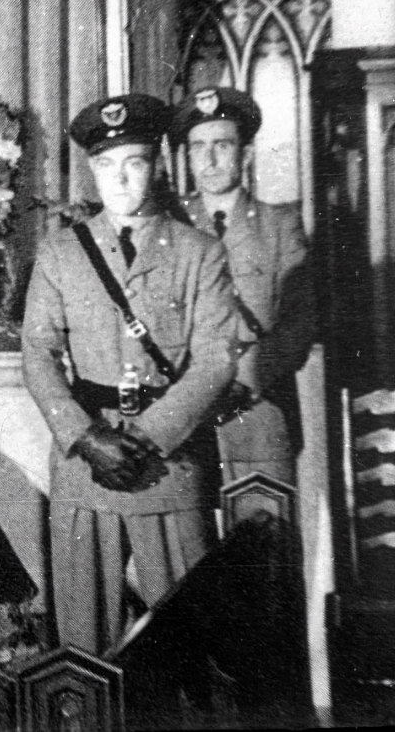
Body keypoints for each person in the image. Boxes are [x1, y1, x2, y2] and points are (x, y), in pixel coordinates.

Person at [21, 94, 239, 654]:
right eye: (105, 165)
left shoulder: (200, 253)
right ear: (91, 170)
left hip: (166, 465)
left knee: (191, 641)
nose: (119, 178)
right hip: (86, 467)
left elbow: (216, 358)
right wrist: (84, 436)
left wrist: (146, 438)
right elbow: (37, 353)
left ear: (158, 164)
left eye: (135, 162)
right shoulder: (61, 254)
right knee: (81, 646)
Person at [170, 87, 314, 486]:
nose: (210, 159)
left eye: (222, 145)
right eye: (198, 147)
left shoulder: (278, 224)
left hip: (256, 406)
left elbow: (300, 322)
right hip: (185, 410)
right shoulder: (168, 226)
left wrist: (246, 378)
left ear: (246, 155)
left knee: (261, 531)